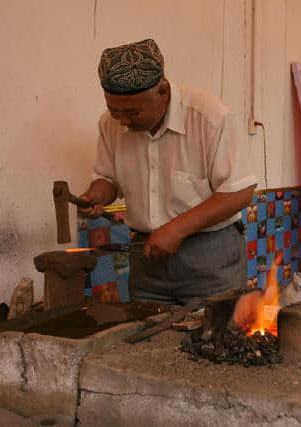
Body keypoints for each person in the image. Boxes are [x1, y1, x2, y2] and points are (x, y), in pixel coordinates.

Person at [79, 39, 257, 304]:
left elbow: (239, 191)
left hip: (210, 262)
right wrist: (97, 194)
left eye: (132, 112)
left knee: (215, 341)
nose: (123, 121)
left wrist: (177, 229)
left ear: (162, 91)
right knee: (149, 340)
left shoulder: (208, 117)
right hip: (147, 261)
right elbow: (107, 179)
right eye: (113, 110)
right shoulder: (110, 124)